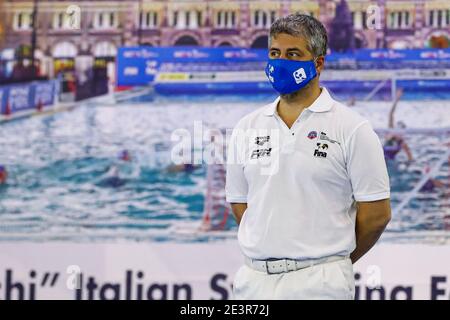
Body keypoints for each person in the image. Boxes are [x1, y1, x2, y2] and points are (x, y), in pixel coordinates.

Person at [225, 13, 391, 300]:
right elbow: (241, 204)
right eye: (275, 53)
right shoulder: (247, 127)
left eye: (293, 54)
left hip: (320, 282)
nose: (280, 63)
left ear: (318, 63)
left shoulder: (352, 128)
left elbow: (376, 215)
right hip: (254, 282)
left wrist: (331, 259)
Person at [383, 89, 413, 162]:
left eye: (401, 133)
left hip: (391, 163)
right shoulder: (390, 133)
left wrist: (409, 163)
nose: (398, 134)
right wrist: (397, 99)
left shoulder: (402, 143)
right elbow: (391, 114)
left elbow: (410, 157)